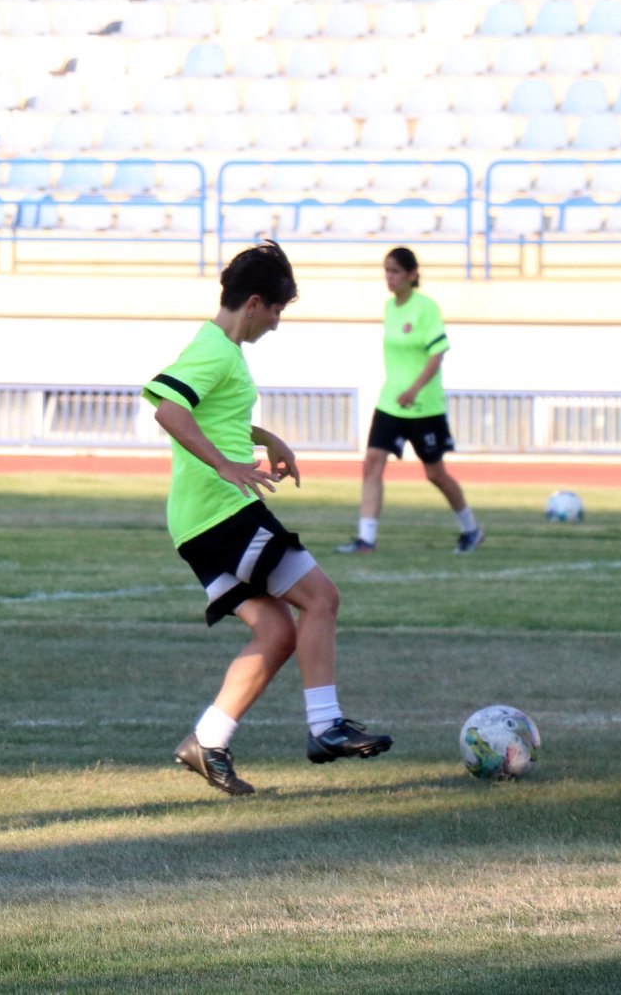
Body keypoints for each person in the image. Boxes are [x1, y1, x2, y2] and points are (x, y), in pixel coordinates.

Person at [144, 241, 392, 797]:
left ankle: (207, 741)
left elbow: (208, 409)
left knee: (279, 631)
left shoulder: (222, 353)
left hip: (198, 523)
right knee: (322, 598)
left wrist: (264, 436)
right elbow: (168, 407)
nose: (277, 324)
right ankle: (325, 725)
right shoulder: (215, 350)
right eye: (277, 310)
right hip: (221, 514)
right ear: (254, 303)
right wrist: (227, 465)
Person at [335, 247, 483, 555]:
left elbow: (437, 353)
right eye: (386, 270)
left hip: (423, 405)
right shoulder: (390, 307)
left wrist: (415, 389)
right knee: (372, 463)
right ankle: (366, 539)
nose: (389, 277)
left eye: (395, 271)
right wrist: (401, 390)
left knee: (435, 473)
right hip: (391, 402)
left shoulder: (426, 308)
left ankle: (471, 529)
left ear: (412, 275)